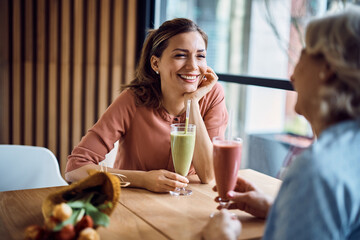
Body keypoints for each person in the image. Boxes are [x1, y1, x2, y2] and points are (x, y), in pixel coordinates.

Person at [203, 5, 360, 240]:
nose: (293, 75)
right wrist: (280, 208)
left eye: (303, 54)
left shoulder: (317, 173)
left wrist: (221, 236)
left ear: (327, 67)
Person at [65, 18, 228, 193]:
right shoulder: (133, 100)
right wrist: (142, 179)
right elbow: (75, 169)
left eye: (200, 56)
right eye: (180, 55)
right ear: (155, 63)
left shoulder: (212, 96)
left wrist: (192, 103)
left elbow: (208, 175)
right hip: (131, 205)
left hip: (187, 206)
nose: (193, 66)